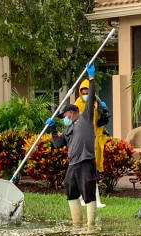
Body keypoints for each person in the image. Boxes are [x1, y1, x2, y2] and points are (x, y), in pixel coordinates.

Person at [45, 63, 98, 227]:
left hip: (86, 162)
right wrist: (53, 128)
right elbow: (58, 144)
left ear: (72, 112)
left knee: (88, 191)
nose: (64, 118)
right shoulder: (68, 129)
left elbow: (90, 97)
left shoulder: (85, 117)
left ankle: (91, 226)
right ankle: (77, 224)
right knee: (70, 190)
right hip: (73, 165)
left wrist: (91, 78)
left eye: (65, 115)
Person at [75, 79, 108, 208]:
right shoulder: (77, 104)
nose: (85, 94)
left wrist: (103, 113)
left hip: (94, 141)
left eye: (88, 92)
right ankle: (82, 197)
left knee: (92, 171)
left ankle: (94, 198)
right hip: (83, 142)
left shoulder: (96, 104)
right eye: (83, 92)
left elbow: (101, 121)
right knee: (83, 170)